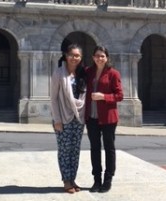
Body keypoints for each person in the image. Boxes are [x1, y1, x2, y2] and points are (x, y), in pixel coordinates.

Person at [85, 45, 123, 193]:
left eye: (102, 56)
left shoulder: (113, 73)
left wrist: (103, 97)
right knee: (94, 149)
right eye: (97, 56)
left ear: (107, 58)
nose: (100, 58)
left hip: (108, 117)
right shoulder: (88, 72)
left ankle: (108, 180)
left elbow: (119, 95)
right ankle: (96, 180)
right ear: (93, 57)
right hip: (92, 117)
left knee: (109, 148)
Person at [50, 44, 86, 194]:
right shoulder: (59, 73)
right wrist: (57, 119)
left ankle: (72, 178)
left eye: (77, 55)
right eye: (72, 55)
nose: (74, 58)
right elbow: (53, 99)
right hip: (62, 117)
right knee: (65, 150)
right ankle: (66, 181)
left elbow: (84, 96)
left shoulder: (83, 75)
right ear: (66, 55)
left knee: (75, 150)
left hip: (79, 117)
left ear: (81, 57)